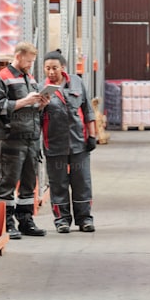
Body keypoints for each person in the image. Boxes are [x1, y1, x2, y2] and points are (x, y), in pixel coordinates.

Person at [41, 50, 98, 233]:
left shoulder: (77, 82)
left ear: (63, 68)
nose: (51, 72)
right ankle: (61, 220)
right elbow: (37, 118)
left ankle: (85, 219)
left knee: (82, 182)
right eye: (47, 68)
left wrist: (92, 135)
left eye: (54, 68)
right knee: (58, 184)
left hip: (78, 143)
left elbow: (88, 110)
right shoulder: (41, 89)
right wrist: (40, 105)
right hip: (54, 144)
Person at [0, 42, 49, 239]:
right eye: (28, 61)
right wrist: (25, 101)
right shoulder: (3, 77)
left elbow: (31, 108)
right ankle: (7, 222)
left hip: (32, 137)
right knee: (9, 181)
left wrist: (40, 104)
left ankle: (26, 219)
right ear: (18, 56)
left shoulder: (30, 77)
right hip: (13, 138)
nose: (30, 64)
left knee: (29, 182)